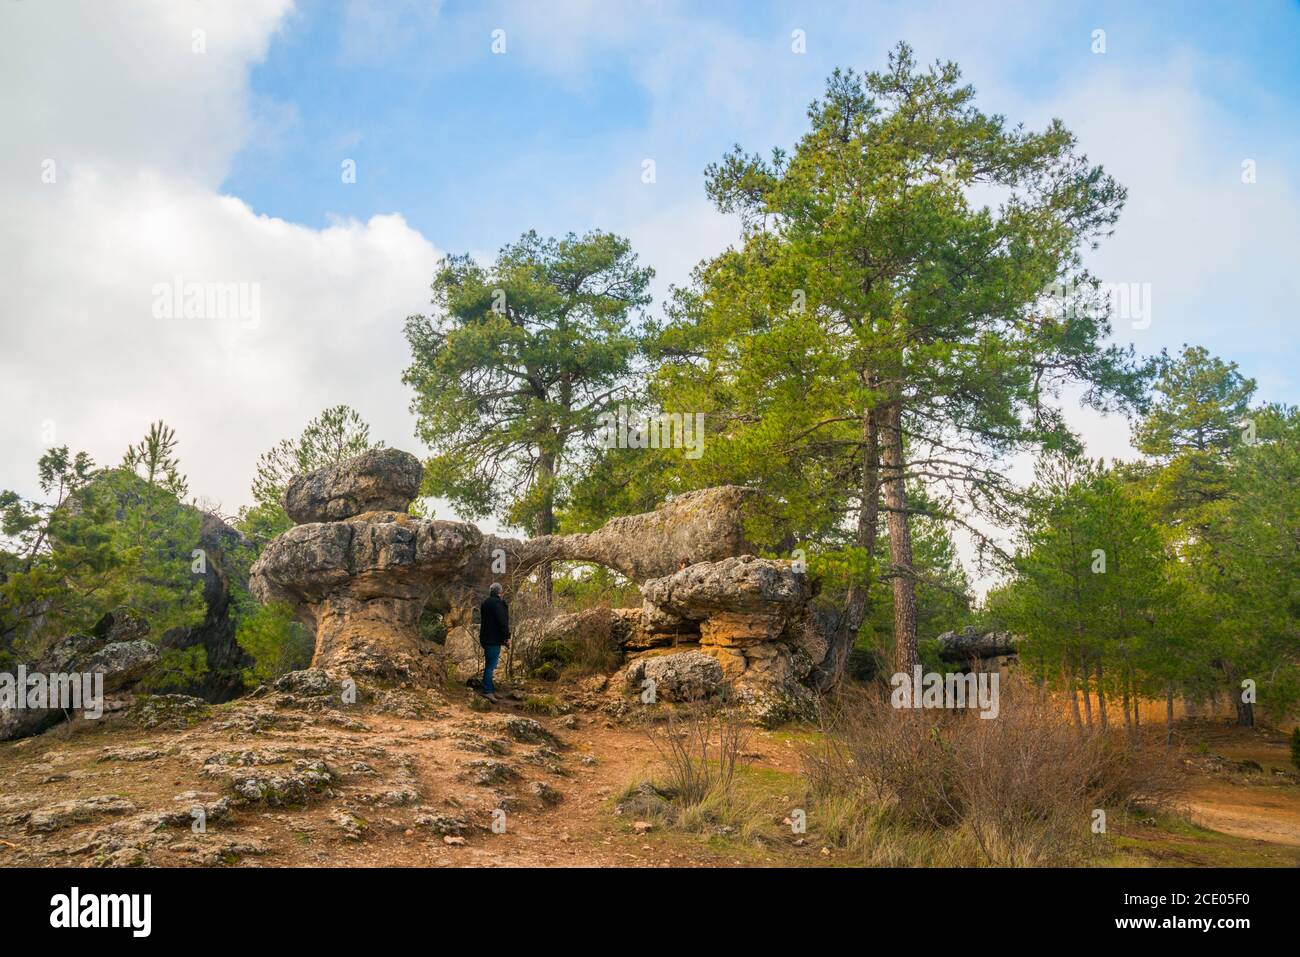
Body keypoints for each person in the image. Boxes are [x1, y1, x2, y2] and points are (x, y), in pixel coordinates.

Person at [478, 582, 510, 702]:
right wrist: (507, 637)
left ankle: (490, 689)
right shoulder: (497, 603)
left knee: (490, 664)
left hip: (486, 638)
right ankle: (487, 691)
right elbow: (502, 621)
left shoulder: (485, 603)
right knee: (491, 666)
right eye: (501, 592)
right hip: (493, 639)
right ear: (499, 592)